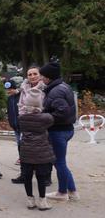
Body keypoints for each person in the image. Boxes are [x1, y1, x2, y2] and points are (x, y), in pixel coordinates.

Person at [39, 62, 79, 201]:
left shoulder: (56, 91)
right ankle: (72, 191)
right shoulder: (63, 86)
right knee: (60, 161)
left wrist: (44, 117)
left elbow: (62, 112)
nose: (41, 78)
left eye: (43, 76)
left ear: (49, 77)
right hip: (66, 130)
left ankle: (62, 193)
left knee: (59, 162)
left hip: (58, 131)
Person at [18, 88, 55, 210]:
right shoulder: (46, 118)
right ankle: (42, 201)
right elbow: (52, 121)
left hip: (26, 152)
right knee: (41, 177)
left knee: (27, 177)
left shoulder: (22, 118)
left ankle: (30, 200)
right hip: (41, 152)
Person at [12, 66, 47, 184]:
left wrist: (33, 110)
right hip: (26, 122)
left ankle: (45, 177)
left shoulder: (45, 88)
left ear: (40, 75)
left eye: (35, 74)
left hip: (40, 122)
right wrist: (24, 115)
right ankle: (24, 175)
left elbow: (44, 105)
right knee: (24, 150)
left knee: (42, 150)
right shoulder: (24, 88)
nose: (32, 76)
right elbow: (20, 105)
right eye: (29, 74)